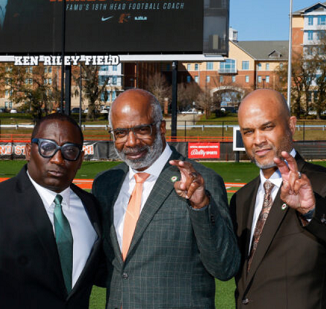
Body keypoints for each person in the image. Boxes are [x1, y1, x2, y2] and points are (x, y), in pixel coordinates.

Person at [231, 89, 326, 308]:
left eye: (267, 127)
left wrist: (313, 211)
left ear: (291, 125)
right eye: (248, 131)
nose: (258, 140)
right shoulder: (240, 198)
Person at [0, 113, 104, 308]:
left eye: (70, 151)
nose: (58, 159)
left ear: (81, 159)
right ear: (28, 151)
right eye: (47, 147)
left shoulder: (92, 207)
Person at [92, 89, 239, 308]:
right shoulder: (106, 184)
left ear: (161, 127)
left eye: (141, 129)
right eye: (121, 132)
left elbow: (225, 267)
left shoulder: (201, 180)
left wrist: (201, 206)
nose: (131, 142)